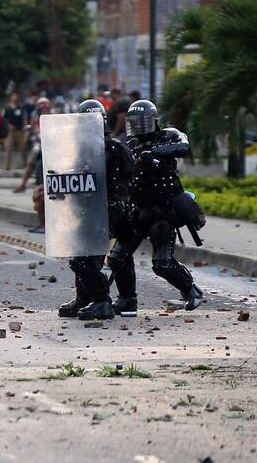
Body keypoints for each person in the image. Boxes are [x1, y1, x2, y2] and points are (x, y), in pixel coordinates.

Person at [107, 99, 203, 315]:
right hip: (138, 210)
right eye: (134, 122)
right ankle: (127, 300)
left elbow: (184, 146)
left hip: (163, 212)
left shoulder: (168, 135)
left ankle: (191, 290)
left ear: (152, 121)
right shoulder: (130, 146)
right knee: (117, 257)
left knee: (162, 263)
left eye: (142, 122)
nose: (138, 127)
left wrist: (156, 153)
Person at [58, 99, 134, 321]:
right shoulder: (91, 149)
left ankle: (101, 302)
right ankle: (86, 299)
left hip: (108, 211)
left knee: (81, 258)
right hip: (96, 210)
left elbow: (126, 178)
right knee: (89, 255)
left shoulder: (110, 149)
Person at [3, 92, 27, 170]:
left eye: (16, 96)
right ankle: (7, 166)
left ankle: (25, 164)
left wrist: (24, 128)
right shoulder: (7, 107)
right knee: (8, 148)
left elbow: (23, 118)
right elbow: (4, 119)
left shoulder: (20, 107)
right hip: (10, 131)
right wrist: (8, 126)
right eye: (14, 96)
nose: (15, 98)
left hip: (19, 130)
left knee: (22, 148)